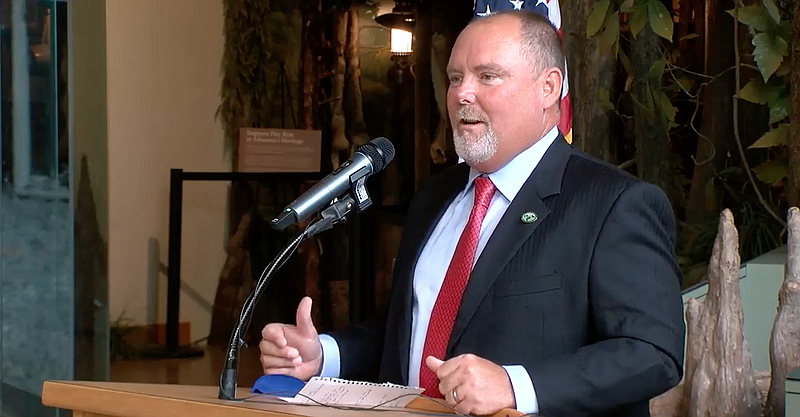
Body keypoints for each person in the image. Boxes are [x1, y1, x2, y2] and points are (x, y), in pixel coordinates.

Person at [258, 10, 685, 417]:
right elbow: (406, 332)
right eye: (455, 78)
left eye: (488, 76)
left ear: (548, 87)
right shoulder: (433, 198)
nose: (463, 93)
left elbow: (651, 352)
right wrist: (323, 355)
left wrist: (516, 386)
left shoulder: (614, 203)